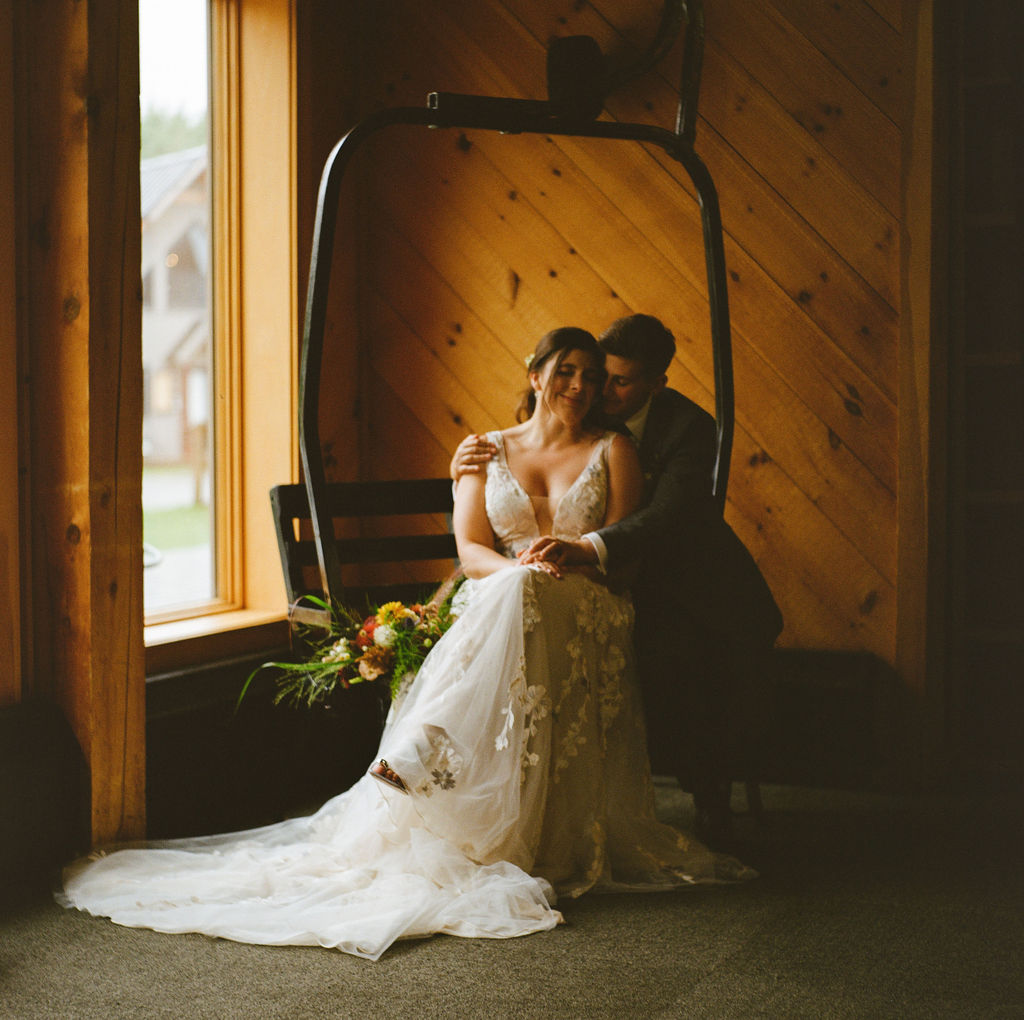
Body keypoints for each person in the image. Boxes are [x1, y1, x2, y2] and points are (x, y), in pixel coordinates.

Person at [59, 327, 753, 962]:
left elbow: (623, 560)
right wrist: (518, 574)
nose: (580, 385)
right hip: (499, 595)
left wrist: (558, 566)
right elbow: (471, 552)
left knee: (523, 594)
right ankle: (435, 756)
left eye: (592, 377)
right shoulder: (484, 450)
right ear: (535, 373)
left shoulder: (615, 450)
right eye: (565, 371)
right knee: (513, 590)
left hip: (588, 604)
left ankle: (420, 747)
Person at [453, 315, 782, 846]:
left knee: (682, 658)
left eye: (619, 383)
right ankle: (477, 792)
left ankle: (709, 795)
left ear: (656, 385)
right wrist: (462, 469)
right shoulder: (576, 403)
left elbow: (663, 518)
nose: (598, 391)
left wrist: (582, 551)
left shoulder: (686, 429)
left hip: (681, 579)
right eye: (597, 375)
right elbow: (523, 447)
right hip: (560, 580)